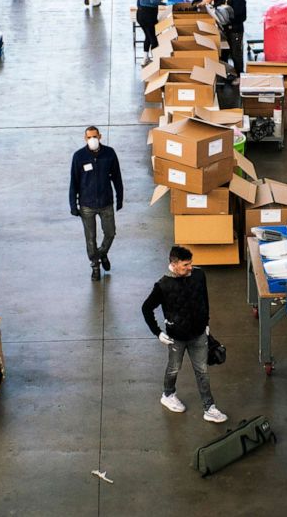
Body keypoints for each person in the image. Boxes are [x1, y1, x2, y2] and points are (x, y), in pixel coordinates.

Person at [142, 245, 227, 424]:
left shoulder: (198, 275)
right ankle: (168, 394)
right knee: (174, 368)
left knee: (202, 371)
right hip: (176, 338)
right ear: (173, 264)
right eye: (185, 265)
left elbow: (204, 298)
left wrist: (206, 323)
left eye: (191, 264)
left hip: (198, 334)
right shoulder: (163, 286)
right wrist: (157, 333)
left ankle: (209, 407)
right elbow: (146, 308)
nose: (190, 268)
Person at [70, 126, 124, 281]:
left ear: (100, 136)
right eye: (89, 137)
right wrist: (73, 205)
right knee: (90, 238)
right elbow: (74, 182)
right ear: (85, 138)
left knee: (110, 233)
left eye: (95, 136)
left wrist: (119, 198)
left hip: (106, 202)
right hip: (87, 205)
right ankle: (95, 266)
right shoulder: (79, 156)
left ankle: (102, 253)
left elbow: (117, 178)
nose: (92, 139)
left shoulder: (109, 153)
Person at [221, 0, 247, 75]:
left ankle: (239, 74)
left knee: (236, 53)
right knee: (225, 52)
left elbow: (242, 16)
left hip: (236, 30)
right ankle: (227, 72)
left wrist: (230, 20)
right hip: (227, 29)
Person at [137, 0, 164, 66]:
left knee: (148, 36)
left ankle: (145, 58)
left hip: (140, 16)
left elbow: (138, 3)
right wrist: (163, 4)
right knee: (154, 40)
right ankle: (156, 63)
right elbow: (155, 0)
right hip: (149, 16)